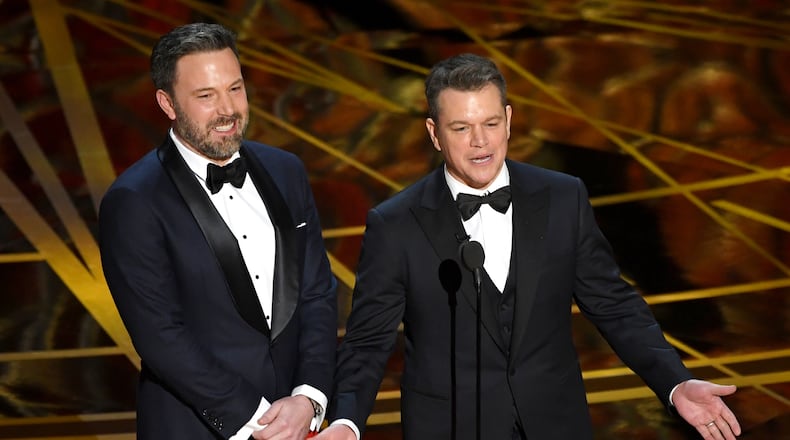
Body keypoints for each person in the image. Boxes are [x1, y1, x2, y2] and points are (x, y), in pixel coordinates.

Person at [316, 53, 741, 440]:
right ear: (434, 133)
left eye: (490, 124)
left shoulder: (562, 197)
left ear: (509, 119)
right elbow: (368, 341)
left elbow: (613, 303)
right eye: (461, 128)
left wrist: (675, 382)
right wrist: (347, 422)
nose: (480, 142)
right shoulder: (396, 224)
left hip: (556, 424)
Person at [99, 23, 337, 440]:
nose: (228, 109)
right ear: (167, 103)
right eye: (206, 96)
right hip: (198, 427)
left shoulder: (287, 171)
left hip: (299, 423)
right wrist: (256, 420)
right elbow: (160, 337)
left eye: (235, 88)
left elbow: (316, 292)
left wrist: (309, 395)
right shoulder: (134, 201)